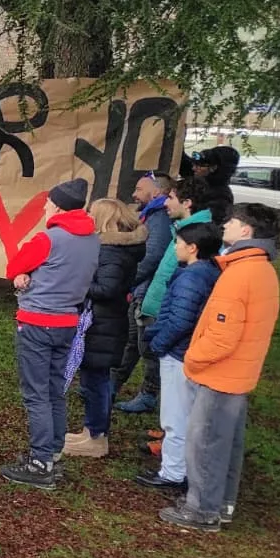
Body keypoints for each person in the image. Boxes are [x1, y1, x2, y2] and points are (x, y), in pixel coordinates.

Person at [161, 204, 280, 531]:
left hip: (220, 374)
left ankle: (201, 510)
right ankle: (220, 504)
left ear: (246, 231)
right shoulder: (261, 269)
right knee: (226, 444)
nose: (225, 225)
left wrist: (193, 358)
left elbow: (222, 335)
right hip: (239, 373)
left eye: (232, 221)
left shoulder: (240, 274)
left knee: (205, 444)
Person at [0, 179, 99, 489]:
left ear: (57, 206)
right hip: (67, 322)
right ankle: (53, 453)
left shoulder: (48, 238)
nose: (44, 207)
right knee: (55, 390)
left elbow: (13, 266)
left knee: (36, 394)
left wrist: (24, 274)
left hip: (37, 321)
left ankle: (40, 461)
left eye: (47, 202)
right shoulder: (93, 240)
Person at [134, 221, 222, 490]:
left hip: (178, 353)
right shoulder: (210, 272)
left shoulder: (191, 278)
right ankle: (183, 468)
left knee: (175, 416)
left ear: (192, 248)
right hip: (187, 351)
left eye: (178, 242)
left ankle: (172, 473)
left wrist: (159, 343)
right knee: (186, 414)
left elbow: (180, 320)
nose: (175, 247)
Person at [59, 199, 147, 459]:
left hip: (103, 324)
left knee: (95, 382)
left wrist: (76, 284)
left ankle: (96, 437)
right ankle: (92, 431)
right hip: (104, 322)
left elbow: (107, 289)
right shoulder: (119, 250)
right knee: (93, 380)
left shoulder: (111, 252)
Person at [129, 176, 215, 419]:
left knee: (167, 370)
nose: (165, 202)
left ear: (187, 203)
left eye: (171, 197)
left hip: (169, 316)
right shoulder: (181, 228)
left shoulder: (197, 235)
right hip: (160, 308)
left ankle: (168, 422)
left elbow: (188, 291)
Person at [117, 172, 175, 414]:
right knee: (132, 342)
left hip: (149, 292)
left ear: (157, 192)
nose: (134, 194)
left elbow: (151, 257)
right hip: (143, 289)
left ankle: (149, 394)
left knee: (146, 346)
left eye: (140, 189)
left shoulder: (159, 218)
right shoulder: (153, 214)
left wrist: (127, 280)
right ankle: (112, 384)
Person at [190, 146, 239, 223]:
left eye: (199, 165)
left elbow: (206, 226)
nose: (193, 168)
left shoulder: (221, 197)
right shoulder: (201, 185)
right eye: (194, 164)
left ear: (213, 168)